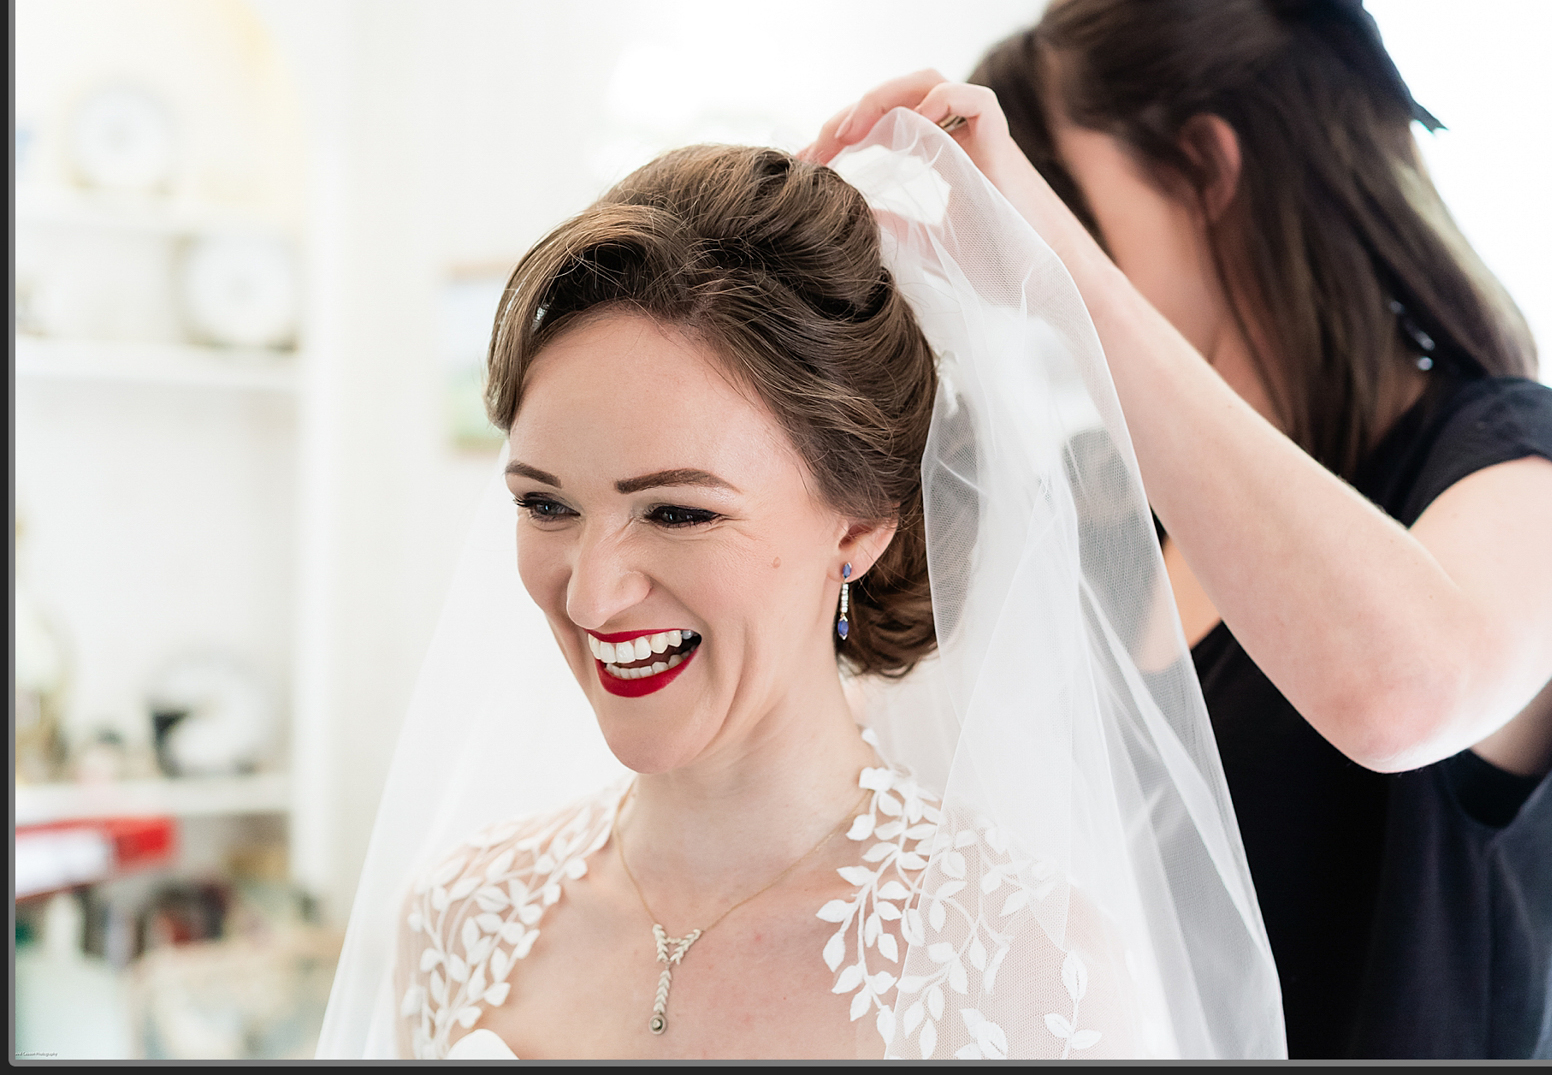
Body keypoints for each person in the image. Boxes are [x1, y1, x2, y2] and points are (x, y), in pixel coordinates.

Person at [798, 0, 1552, 1059]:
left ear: (1205, 167)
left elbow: (1397, 696)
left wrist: (1064, 275)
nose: (1043, 252)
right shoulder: (1107, 501)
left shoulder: (1519, 462)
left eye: (1071, 205)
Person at [316, 117, 1285, 1059]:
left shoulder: (1028, 965)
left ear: (859, 525)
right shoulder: (456, 918)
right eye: (546, 504)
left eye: (677, 512)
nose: (591, 595)